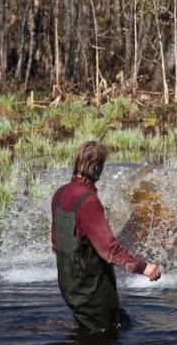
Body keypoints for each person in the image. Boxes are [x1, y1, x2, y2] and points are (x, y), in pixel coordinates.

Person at [51, 141, 161, 333]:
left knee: (87, 334)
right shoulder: (88, 202)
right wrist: (144, 268)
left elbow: (56, 243)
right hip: (91, 289)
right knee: (105, 340)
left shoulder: (60, 193)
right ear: (96, 168)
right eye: (101, 165)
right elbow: (110, 250)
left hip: (68, 284)